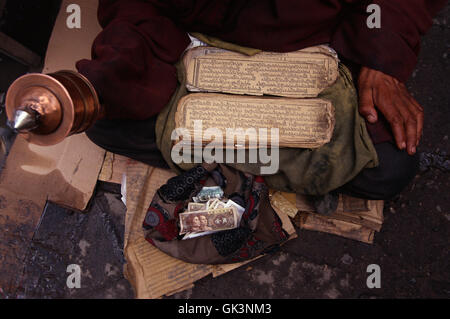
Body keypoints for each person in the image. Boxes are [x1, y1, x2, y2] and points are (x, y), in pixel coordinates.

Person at [76, 0, 447, 201]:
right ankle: (260, 161)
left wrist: (381, 60)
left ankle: (228, 156)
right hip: (195, 42)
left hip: (319, 43)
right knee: (101, 118)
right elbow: (132, 8)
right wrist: (120, 64)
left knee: (390, 169)